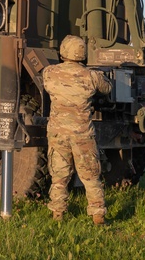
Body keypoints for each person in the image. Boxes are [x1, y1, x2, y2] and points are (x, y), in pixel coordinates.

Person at [42, 35, 113, 225]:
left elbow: (47, 85)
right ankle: (98, 216)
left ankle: (58, 214)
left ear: (64, 52)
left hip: (58, 133)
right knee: (90, 175)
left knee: (59, 175)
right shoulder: (91, 76)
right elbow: (107, 88)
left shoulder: (49, 73)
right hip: (82, 134)